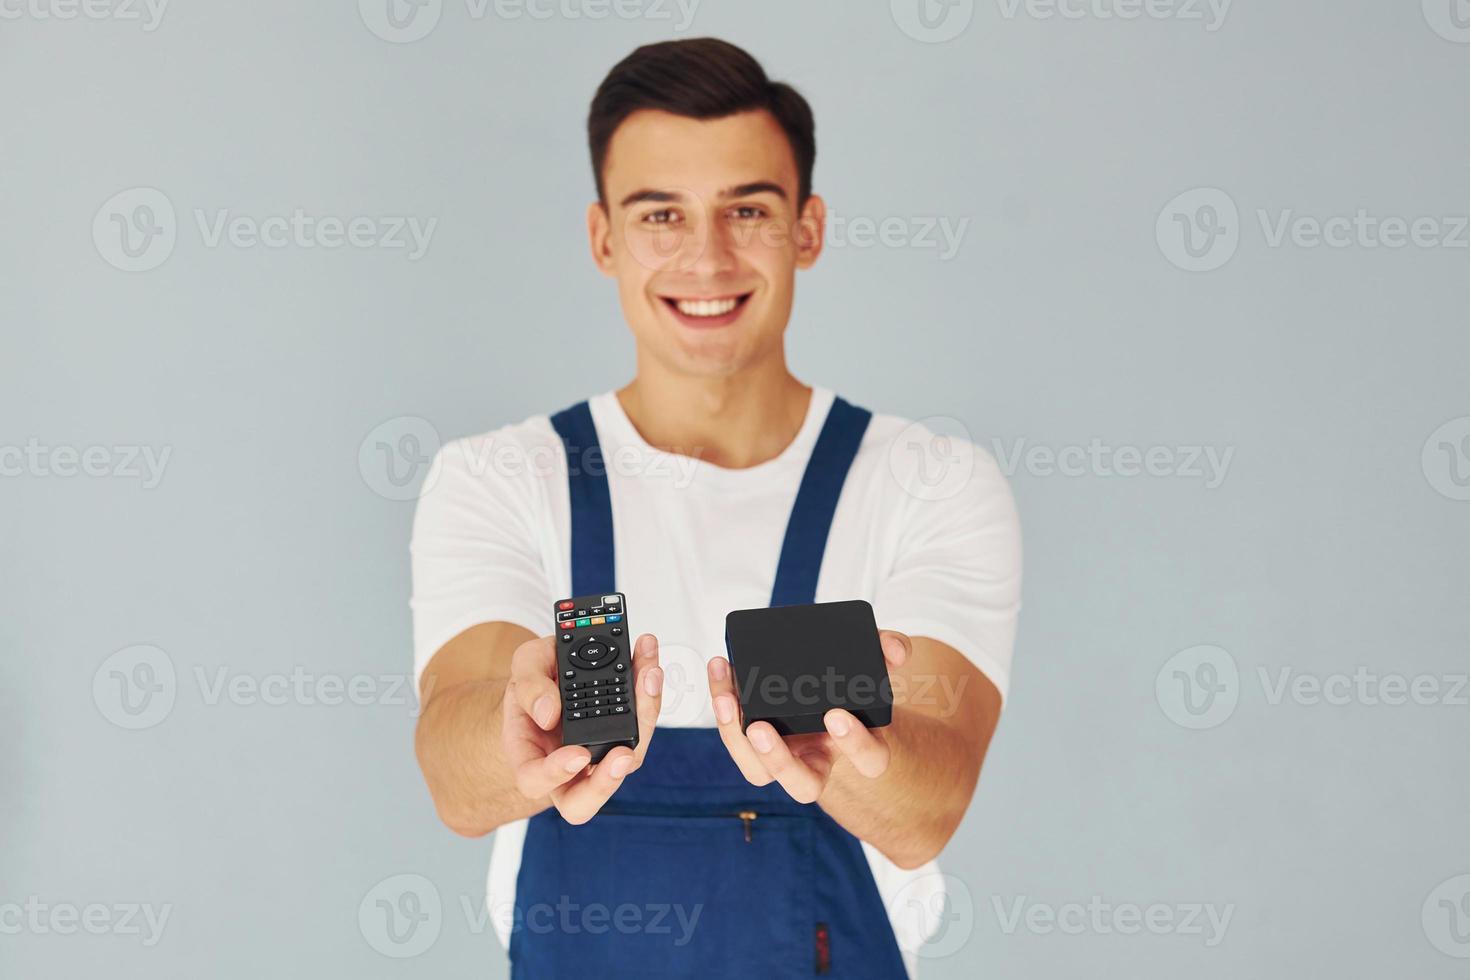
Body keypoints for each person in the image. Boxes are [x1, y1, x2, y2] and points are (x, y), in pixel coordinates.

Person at [410, 36, 1021, 979]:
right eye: (662, 214)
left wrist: (857, 766)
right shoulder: (498, 477)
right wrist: (514, 731)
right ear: (603, 236)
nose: (708, 255)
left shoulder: (930, 481)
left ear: (807, 229)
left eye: (749, 209)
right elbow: (457, 773)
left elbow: (928, 809)